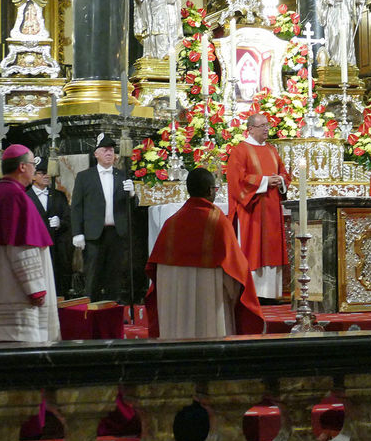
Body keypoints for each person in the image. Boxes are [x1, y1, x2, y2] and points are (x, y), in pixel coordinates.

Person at [146, 167, 263, 338]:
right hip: (210, 310)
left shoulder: (170, 224)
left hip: (174, 311)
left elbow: (156, 271)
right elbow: (236, 276)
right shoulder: (218, 223)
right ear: (210, 190)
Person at [0, 145, 59, 342]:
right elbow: (20, 247)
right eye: (33, 164)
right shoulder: (15, 197)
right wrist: (35, 289)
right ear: (23, 167)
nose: (35, 169)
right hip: (14, 300)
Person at [226, 113, 292, 303]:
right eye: (262, 126)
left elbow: (284, 174)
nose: (266, 129)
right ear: (250, 129)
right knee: (254, 248)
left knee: (271, 248)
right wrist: (263, 181)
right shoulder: (240, 150)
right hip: (252, 211)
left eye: (267, 125)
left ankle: (271, 294)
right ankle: (253, 293)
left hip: (272, 208)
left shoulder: (272, 150)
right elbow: (236, 181)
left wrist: (280, 180)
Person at [71, 134, 135, 303]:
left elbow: (129, 207)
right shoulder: (84, 176)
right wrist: (77, 233)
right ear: (96, 154)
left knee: (114, 277)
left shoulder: (122, 175)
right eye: (105, 150)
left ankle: (112, 313)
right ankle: (91, 313)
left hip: (116, 233)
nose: (109, 153)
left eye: (112, 150)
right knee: (93, 277)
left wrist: (133, 194)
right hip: (94, 235)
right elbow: (76, 206)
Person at [27, 160, 72, 296]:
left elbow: (68, 219)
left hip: (57, 248)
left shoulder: (58, 195)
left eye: (48, 173)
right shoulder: (25, 197)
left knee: (58, 284)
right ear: (33, 176)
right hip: (35, 248)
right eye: (42, 173)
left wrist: (60, 223)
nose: (46, 176)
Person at [316, 0, 356, 72]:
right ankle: (333, 60)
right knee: (333, 37)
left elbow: (352, 1)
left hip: (343, 19)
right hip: (332, 19)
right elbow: (320, 4)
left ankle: (343, 62)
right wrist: (326, 2)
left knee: (344, 38)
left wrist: (358, 2)